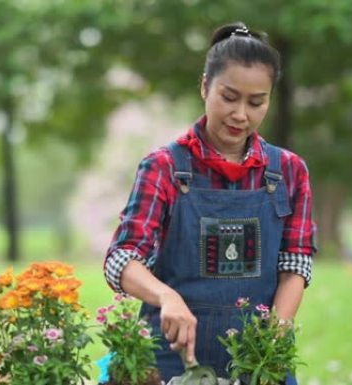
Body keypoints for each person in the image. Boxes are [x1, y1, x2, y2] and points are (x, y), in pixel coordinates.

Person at [103, 21, 316, 384]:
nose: (240, 115)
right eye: (229, 97)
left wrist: (275, 336)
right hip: (168, 360)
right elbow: (121, 260)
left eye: (256, 102)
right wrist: (165, 296)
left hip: (255, 358)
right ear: (205, 86)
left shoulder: (289, 171)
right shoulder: (165, 167)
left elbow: (296, 264)